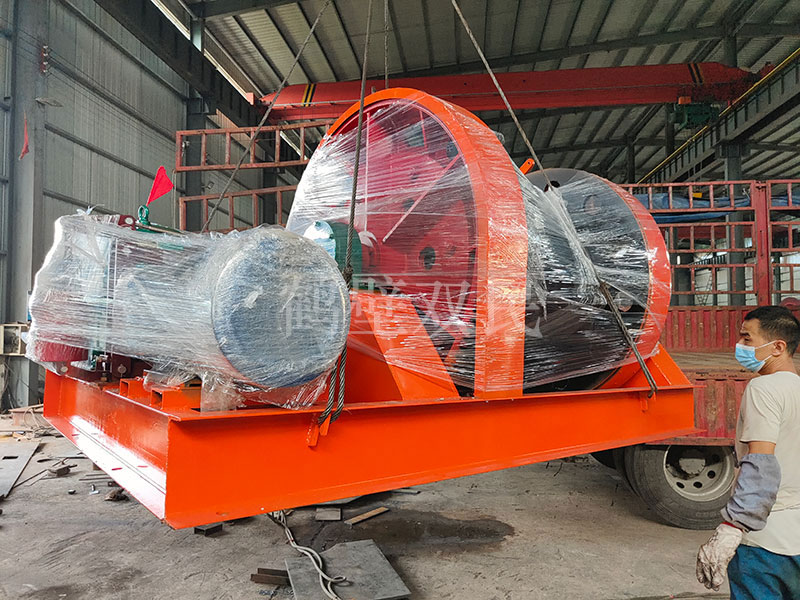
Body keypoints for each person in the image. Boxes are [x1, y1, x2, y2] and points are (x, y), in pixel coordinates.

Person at [696, 305, 800, 598]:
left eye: (747, 338)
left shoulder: (764, 388)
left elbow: (761, 462)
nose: (739, 345)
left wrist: (733, 526)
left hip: (765, 543)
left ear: (778, 347)